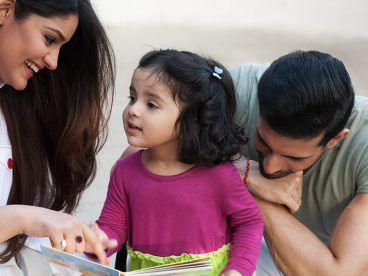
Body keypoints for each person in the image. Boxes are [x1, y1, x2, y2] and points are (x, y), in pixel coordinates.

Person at [91, 49, 264, 276]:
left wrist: (238, 269)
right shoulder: (125, 171)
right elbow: (112, 227)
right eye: (133, 98)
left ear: (192, 118)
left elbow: (249, 223)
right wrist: (92, 243)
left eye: (151, 104)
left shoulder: (219, 175)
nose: (133, 110)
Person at [0, 0, 117, 273]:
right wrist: (26, 217)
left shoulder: (18, 114)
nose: (53, 62)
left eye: (60, 48)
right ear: (5, 9)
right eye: (49, 38)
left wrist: (74, 247)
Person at [231, 50, 368, 275]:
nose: (269, 167)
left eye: (294, 157)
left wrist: (256, 194)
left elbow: (337, 273)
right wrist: (241, 168)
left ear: (336, 139)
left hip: (317, 261)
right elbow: (159, 156)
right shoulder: (240, 90)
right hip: (247, 239)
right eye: (263, 141)